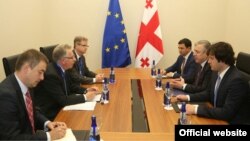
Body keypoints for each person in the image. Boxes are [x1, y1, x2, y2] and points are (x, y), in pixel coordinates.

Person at [175, 42, 250, 124]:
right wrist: (187, 97)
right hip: (217, 116)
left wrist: (195, 109)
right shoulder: (216, 72)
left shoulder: (237, 80)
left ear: (223, 60)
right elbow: (208, 93)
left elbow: (227, 112)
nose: (208, 61)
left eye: (211, 58)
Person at [0, 49, 67, 140]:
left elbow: (32, 111)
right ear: (27, 69)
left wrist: (47, 123)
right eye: (40, 72)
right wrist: (49, 136)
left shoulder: (28, 84)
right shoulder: (6, 95)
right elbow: (11, 138)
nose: (42, 78)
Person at [34, 44, 99, 120]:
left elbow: (71, 86)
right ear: (63, 61)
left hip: (63, 107)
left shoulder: (64, 68)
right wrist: (85, 97)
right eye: (72, 57)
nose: (75, 59)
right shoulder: (51, 75)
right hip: (53, 113)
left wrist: (86, 90)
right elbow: (63, 100)